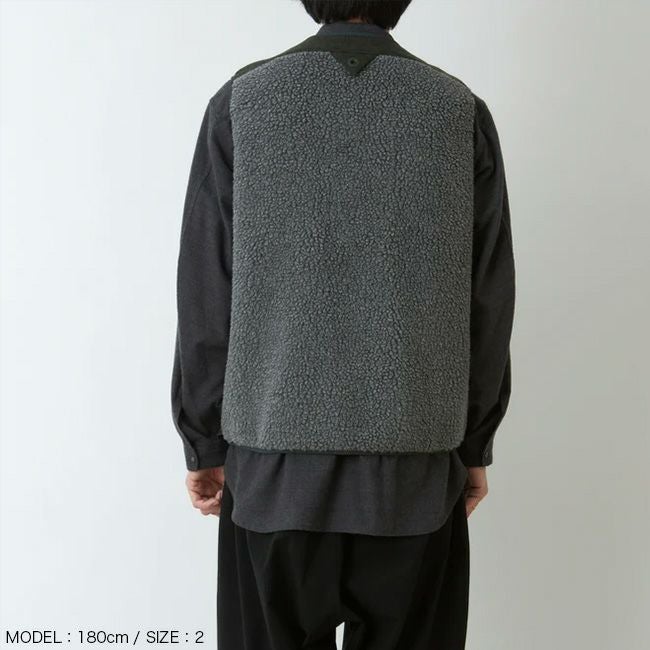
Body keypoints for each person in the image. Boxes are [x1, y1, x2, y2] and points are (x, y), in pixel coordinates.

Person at [171, 1, 515, 647]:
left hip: (272, 475)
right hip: (413, 476)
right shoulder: (455, 108)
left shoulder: (245, 101)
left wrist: (203, 443)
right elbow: (488, 297)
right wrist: (473, 443)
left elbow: (206, 288)